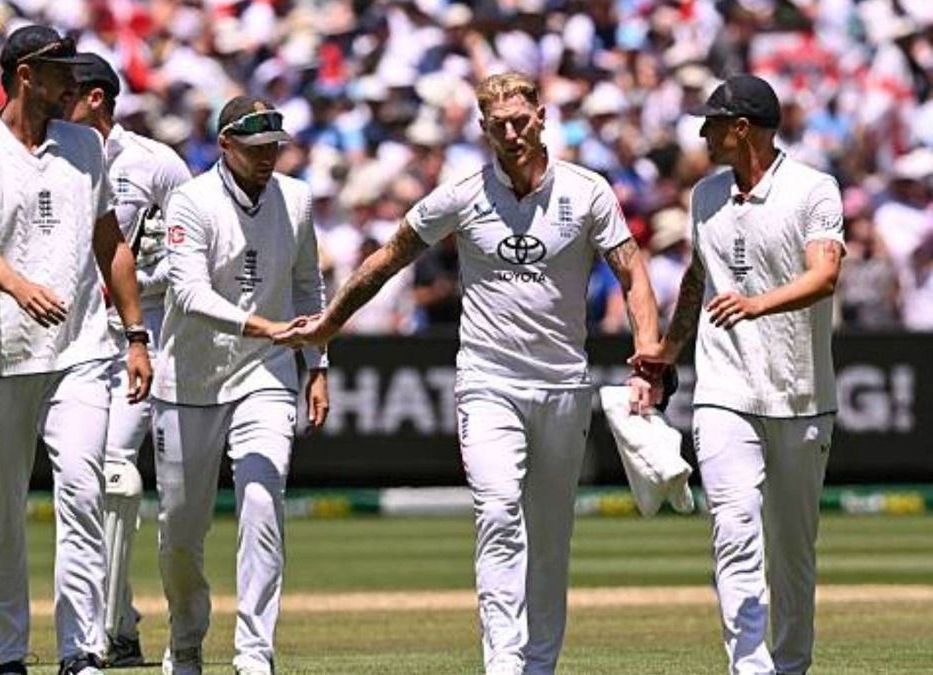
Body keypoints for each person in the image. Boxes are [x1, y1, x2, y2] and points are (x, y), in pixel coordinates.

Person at [275, 72, 660, 675]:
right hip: (487, 380)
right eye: (498, 124)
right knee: (499, 510)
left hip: (562, 383)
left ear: (542, 115)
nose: (512, 133)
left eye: (521, 120)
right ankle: (503, 664)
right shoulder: (460, 194)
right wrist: (329, 323)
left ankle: (539, 664)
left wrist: (647, 358)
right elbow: (386, 259)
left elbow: (634, 274)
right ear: (483, 129)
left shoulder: (588, 192)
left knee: (550, 535)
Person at [0, 26, 151, 675]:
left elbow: (110, 243)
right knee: (2, 514)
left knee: (84, 490)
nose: (74, 80)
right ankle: (11, 651)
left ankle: (78, 649)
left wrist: (137, 333)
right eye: (60, 70)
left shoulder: (86, 144)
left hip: (82, 350)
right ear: (26, 75)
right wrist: (20, 284)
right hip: (1, 355)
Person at [634, 74, 844, 675]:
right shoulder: (704, 196)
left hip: (802, 395)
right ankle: (749, 668)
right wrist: (666, 352)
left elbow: (824, 276)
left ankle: (791, 666)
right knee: (733, 528)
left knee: (793, 552)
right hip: (724, 391)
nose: (702, 133)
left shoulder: (813, 189)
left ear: (741, 128)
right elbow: (699, 280)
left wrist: (758, 303)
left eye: (712, 123)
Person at [153, 95, 327, 675]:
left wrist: (317, 364)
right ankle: (185, 640)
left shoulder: (297, 199)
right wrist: (263, 325)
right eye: (254, 149)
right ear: (224, 145)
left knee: (261, 500)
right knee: (181, 532)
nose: (267, 159)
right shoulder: (190, 201)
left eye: (274, 148)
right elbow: (188, 294)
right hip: (188, 380)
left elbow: (309, 288)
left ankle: (255, 654)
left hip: (265, 373)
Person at [66, 53, 191, 667]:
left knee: (116, 471)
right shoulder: (52, 156)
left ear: (94, 98)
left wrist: (137, 283)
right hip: (78, 338)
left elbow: (197, 245)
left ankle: (116, 630)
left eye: (66, 94)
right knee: (89, 476)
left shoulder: (154, 163)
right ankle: (116, 623)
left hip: (152, 334)